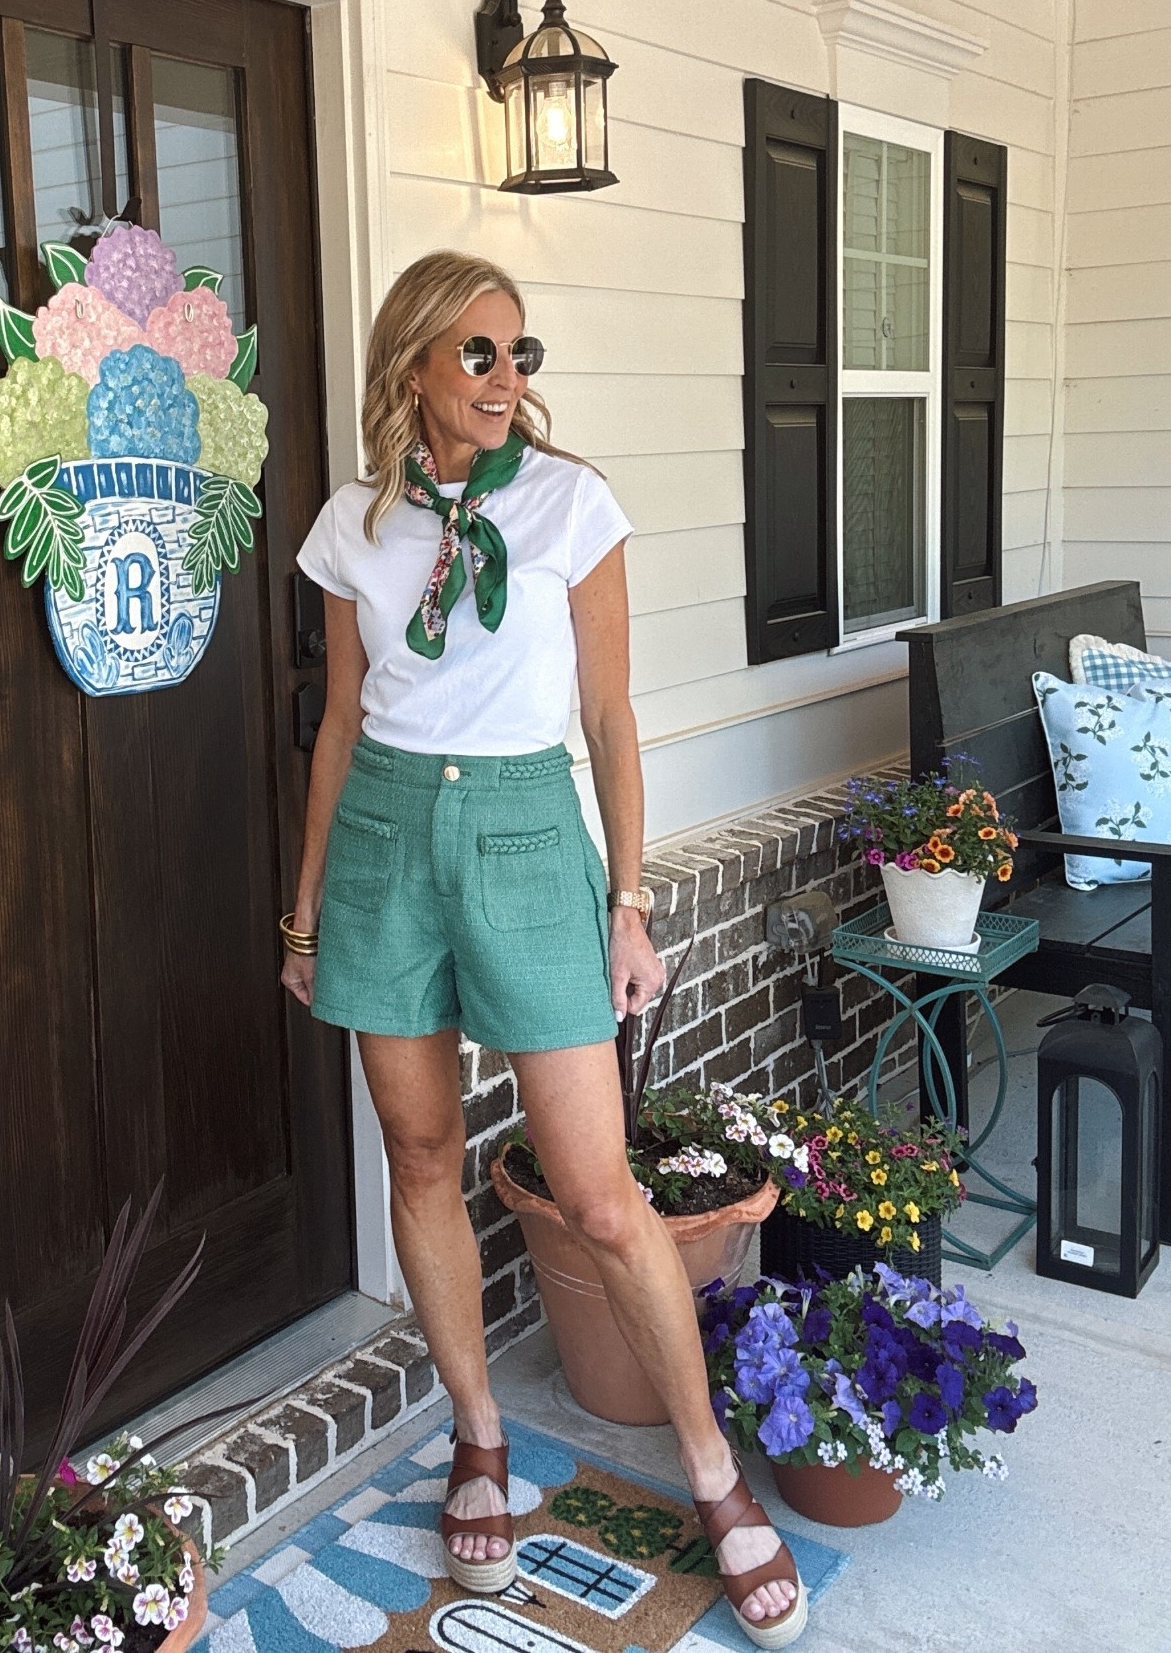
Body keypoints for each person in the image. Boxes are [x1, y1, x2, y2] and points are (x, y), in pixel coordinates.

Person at [279, 252, 806, 1649]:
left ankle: (711, 1476)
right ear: (412, 373)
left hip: (525, 836)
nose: (512, 381)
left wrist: (629, 904)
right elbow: (339, 720)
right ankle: (478, 1437)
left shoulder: (575, 506)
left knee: (603, 1192)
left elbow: (614, 723)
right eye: (481, 357)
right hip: (388, 839)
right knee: (422, 1155)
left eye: (522, 355)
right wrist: (307, 903)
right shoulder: (352, 528)